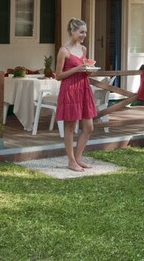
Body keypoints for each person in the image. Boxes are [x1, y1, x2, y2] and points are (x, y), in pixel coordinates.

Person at [55, 18, 98, 172]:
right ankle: (71, 161)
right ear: (72, 31)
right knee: (70, 127)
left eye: (85, 32)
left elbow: (84, 68)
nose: (84, 35)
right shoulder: (63, 51)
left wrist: (88, 71)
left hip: (84, 88)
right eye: (81, 32)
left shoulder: (83, 49)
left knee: (89, 127)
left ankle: (78, 158)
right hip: (70, 89)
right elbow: (58, 75)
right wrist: (77, 69)